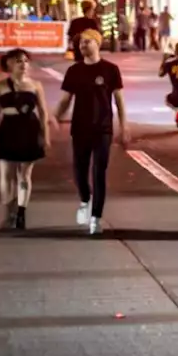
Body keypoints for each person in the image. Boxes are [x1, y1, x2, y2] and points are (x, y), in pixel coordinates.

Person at [53, 29, 130, 237]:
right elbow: (65, 100)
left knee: (99, 172)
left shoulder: (110, 70)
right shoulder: (74, 71)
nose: (82, 46)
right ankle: (85, 199)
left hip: (103, 128)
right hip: (80, 128)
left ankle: (96, 217)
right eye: (80, 43)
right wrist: (53, 118)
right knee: (79, 171)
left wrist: (124, 127)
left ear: (97, 43)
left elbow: (119, 101)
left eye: (87, 42)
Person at [0, 49, 54, 230]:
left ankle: (21, 212)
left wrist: (46, 136)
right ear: (9, 63)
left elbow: (43, 113)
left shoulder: (35, 85)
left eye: (26, 61)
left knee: (25, 174)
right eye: (19, 61)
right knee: (6, 174)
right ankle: (9, 211)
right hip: (8, 130)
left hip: (29, 130)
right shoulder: (0, 86)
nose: (23, 64)